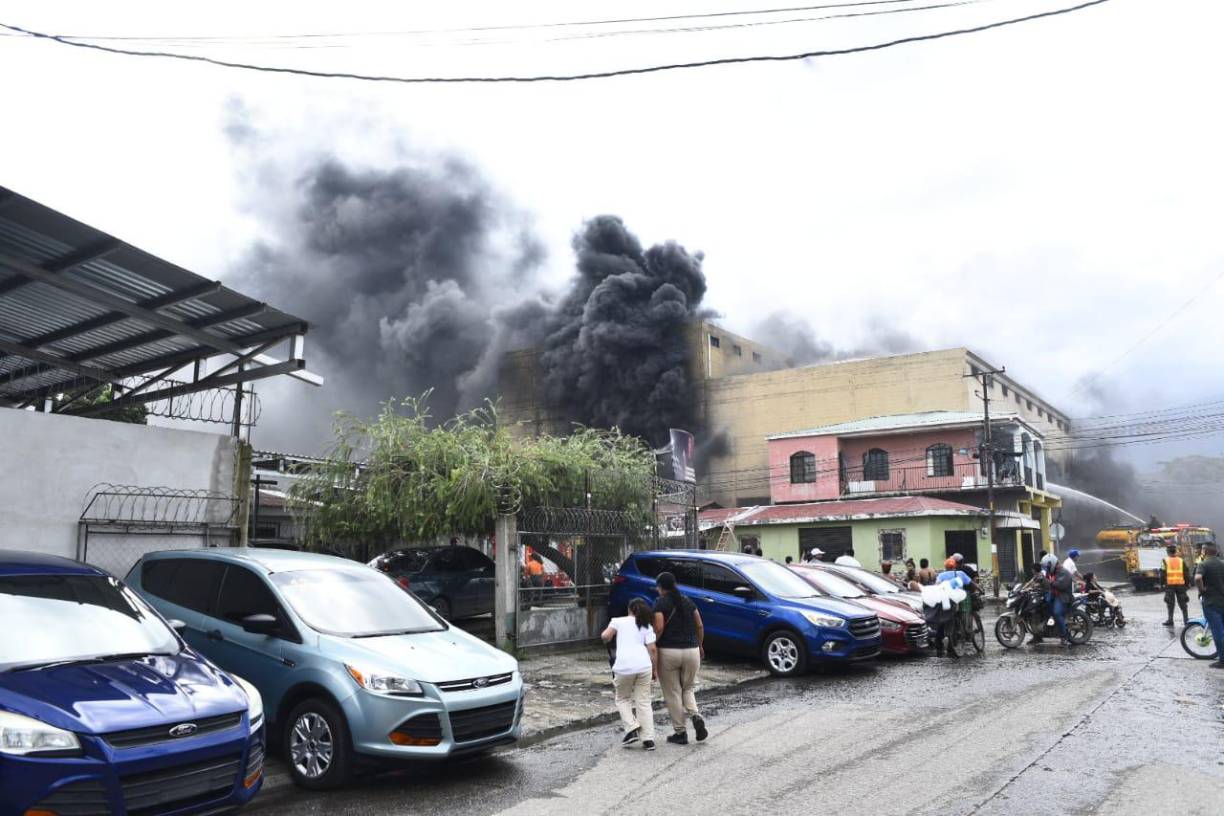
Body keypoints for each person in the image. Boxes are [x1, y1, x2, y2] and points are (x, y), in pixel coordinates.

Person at [653, 572, 708, 744]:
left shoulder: (660, 602)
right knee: (688, 688)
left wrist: (652, 644)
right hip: (692, 651)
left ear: (660, 587)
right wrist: (700, 645)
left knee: (673, 693)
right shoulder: (688, 601)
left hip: (669, 652)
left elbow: (659, 627)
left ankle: (680, 733)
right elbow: (699, 625)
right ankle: (695, 715)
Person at [601, 598, 658, 750]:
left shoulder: (618, 621)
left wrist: (607, 638)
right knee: (643, 702)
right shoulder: (646, 625)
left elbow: (605, 636)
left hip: (624, 668)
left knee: (622, 699)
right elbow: (653, 650)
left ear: (629, 609)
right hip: (644, 666)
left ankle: (632, 727)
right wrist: (654, 670)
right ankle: (648, 739)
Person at [933, 558, 974, 657]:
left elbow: (937, 586)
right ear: (955, 566)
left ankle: (939, 645)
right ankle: (953, 644)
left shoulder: (941, 575)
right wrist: (979, 590)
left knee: (942, 623)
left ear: (945, 567)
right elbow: (972, 583)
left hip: (945, 602)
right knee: (958, 619)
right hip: (957, 602)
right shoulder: (960, 573)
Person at [1193, 542, 1224, 670]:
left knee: (1218, 631)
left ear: (1205, 551)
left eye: (1202, 550)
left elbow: (1197, 578)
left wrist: (1202, 590)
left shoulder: (1203, 564)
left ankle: (1222, 660)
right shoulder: (1222, 563)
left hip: (1211, 603)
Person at [1161, 543, 1190, 627]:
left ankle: (1170, 620)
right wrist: (1187, 584)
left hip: (1169, 585)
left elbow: (1162, 574)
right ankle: (1186, 620)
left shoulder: (1165, 561)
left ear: (1168, 552)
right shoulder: (1181, 560)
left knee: (1170, 603)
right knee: (1183, 602)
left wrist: (1162, 584)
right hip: (1180, 584)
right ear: (1175, 551)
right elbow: (1186, 573)